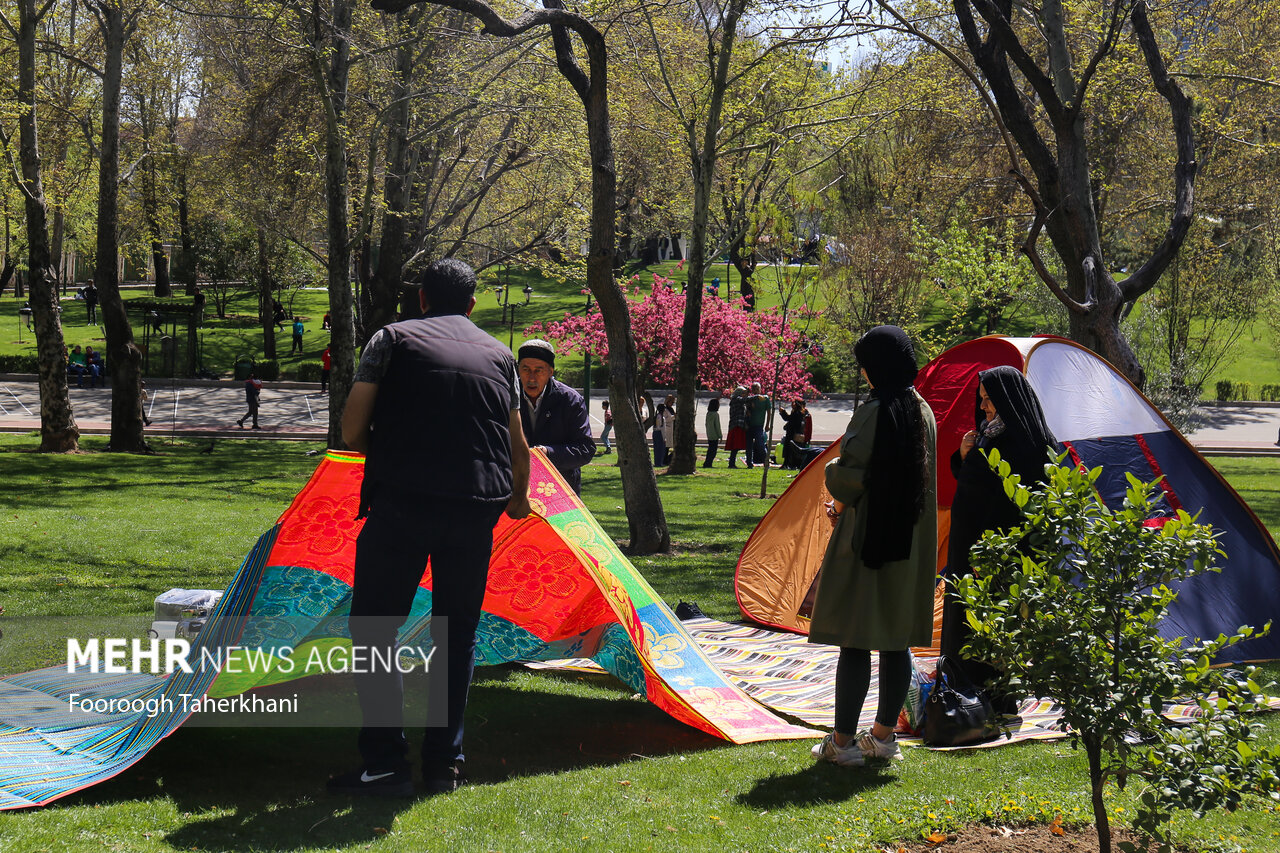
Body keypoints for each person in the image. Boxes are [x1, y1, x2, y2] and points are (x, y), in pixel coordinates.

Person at [332, 258, 531, 797]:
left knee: (375, 629)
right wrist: (518, 498)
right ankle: (444, 764)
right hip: (477, 504)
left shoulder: (391, 339)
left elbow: (352, 429)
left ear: (421, 298)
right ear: (472, 305)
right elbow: (517, 443)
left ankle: (385, 764)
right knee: (456, 632)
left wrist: (394, 458)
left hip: (403, 501)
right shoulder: (500, 355)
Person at [809, 325, 937, 767]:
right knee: (896, 640)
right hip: (909, 541)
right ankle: (882, 738)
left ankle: (842, 744)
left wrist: (836, 492)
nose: (863, 373)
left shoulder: (876, 410)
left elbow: (851, 472)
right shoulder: (923, 410)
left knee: (856, 640)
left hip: (869, 541)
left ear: (875, 367)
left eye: (864, 364)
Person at [942, 365, 1057, 693]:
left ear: (1007, 399)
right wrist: (965, 456)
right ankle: (975, 693)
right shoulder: (1000, 436)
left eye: (989, 400)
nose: (983, 407)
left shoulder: (1016, 443)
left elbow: (991, 493)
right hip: (981, 551)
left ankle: (979, 698)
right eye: (981, 400)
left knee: (986, 625)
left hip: (994, 555)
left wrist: (969, 458)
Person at [516, 338, 595, 493]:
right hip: (516, 488)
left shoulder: (570, 400)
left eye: (538, 371)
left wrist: (547, 453)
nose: (531, 378)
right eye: (526, 370)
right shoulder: (507, 396)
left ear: (551, 372)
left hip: (559, 490)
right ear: (518, 370)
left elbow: (585, 449)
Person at [778, 399, 812, 468]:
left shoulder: (798, 413)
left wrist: (783, 412)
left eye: (793, 403)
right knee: (789, 448)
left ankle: (787, 464)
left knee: (789, 448)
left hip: (793, 433)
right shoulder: (799, 412)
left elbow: (789, 419)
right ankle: (787, 464)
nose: (791, 405)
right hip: (793, 433)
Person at [746, 382, 770, 468]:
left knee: (760, 444)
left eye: (757, 389)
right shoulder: (750, 399)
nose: (756, 391)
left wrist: (767, 424)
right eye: (754, 389)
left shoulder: (765, 399)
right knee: (749, 446)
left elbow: (769, 412)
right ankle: (749, 463)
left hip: (759, 425)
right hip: (749, 425)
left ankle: (766, 462)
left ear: (760, 389)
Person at [725, 386, 748, 468]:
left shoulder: (735, 400)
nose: (745, 395)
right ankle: (731, 463)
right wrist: (756, 397)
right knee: (735, 445)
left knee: (736, 446)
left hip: (737, 425)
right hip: (736, 425)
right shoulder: (736, 399)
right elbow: (745, 400)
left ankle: (732, 462)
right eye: (743, 393)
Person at [652, 393, 675, 466]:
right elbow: (663, 423)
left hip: (668, 430)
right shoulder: (663, 413)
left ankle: (662, 461)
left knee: (665, 447)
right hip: (664, 431)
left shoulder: (670, 409)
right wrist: (674, 417)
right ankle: (661, 461)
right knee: (662, 448)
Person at [703, 395, 722, 468]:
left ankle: (707, 462)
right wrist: (720, 435)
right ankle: (708, 463)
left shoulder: (708, 414)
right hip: (714, 435)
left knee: (710, 449)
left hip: (709, 434)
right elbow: (717, 426)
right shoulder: (715, 414)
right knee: (713, 451)